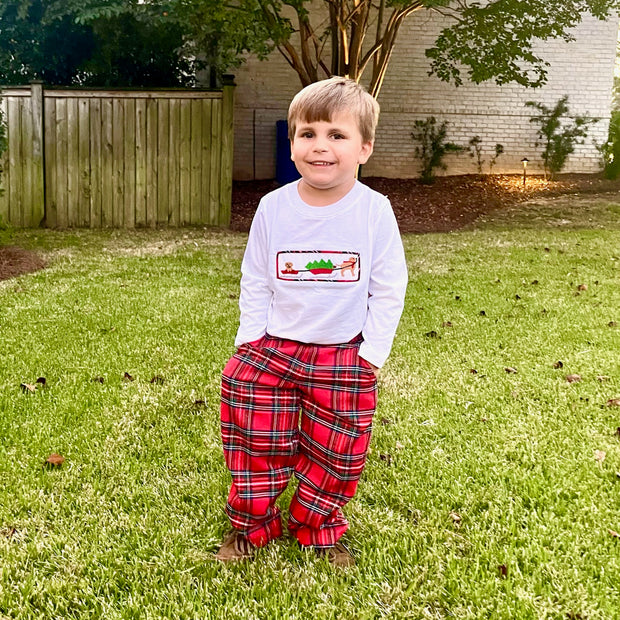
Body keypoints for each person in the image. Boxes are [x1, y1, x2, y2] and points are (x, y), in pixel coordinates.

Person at [216, 76, 408, 567]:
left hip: (344, 353)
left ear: (364, 147)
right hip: (273, 348)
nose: (321, 146)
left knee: (336, 452)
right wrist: (249, 340)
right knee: (255, 439)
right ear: (293, 143)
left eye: (337, 136)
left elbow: (388, 286)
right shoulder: (273, 208)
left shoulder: (374, 211)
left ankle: (318, 526)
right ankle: (252, 525)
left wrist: (372, 354)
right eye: (308, 134)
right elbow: (256, 276)